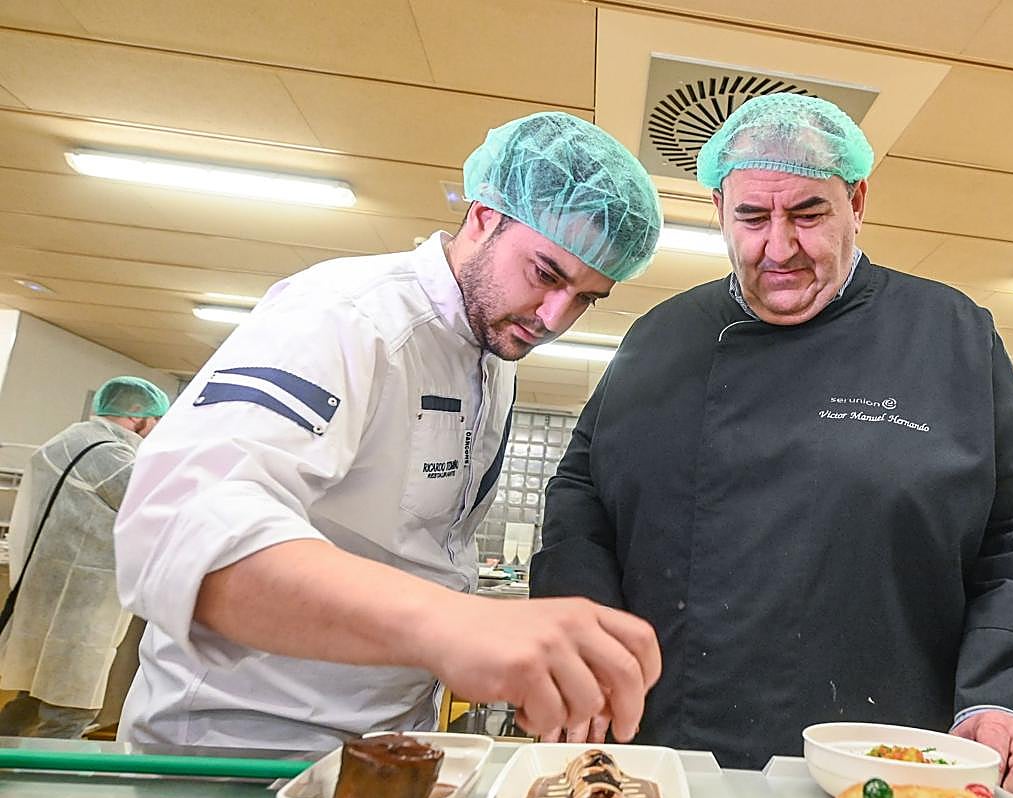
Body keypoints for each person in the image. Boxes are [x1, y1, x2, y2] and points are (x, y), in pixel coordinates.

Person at [530, 94, 1013, 798]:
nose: (779, 247)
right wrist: (584, 657)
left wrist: (1011, 699)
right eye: (752, 218)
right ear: (717, 210)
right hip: (667, 765)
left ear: (857, 200)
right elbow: (580, 502)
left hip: (886, 769)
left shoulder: (948, 335)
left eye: (808, 215)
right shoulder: (659, 341)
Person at [113, 111, 664, 751]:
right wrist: (454, 625)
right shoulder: (348, 315)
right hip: (240, 743)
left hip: (385, 740)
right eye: (546, 274)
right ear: (485, 216)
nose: (553, 318)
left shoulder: (491, 357)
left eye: (586, 299)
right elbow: (176, 526)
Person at [0, 376, 170, 737]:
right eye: (154, 422)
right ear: (138, 417)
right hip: (83, 604)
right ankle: (42, 791)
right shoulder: (109, 455)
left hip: (42, 596)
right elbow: (154, 509)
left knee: (31, 698)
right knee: (71, 712)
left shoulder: (65, 441)